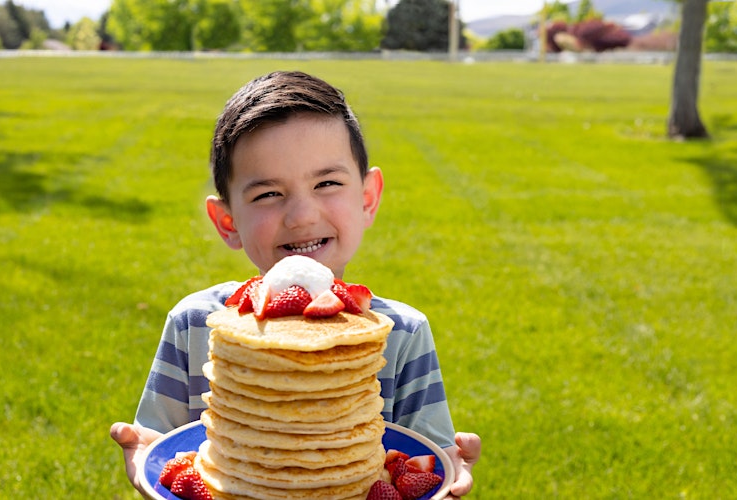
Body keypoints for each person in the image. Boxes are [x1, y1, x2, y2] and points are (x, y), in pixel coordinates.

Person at [110, 70, 481, 498]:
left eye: (327, 183)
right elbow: (163, 452)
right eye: (268, 193)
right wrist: (145, 460)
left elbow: (424, 459)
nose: (302, 215)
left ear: (367, 198)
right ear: (227, 221)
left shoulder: (404, 333)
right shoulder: (196, 324)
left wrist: (446, 469)